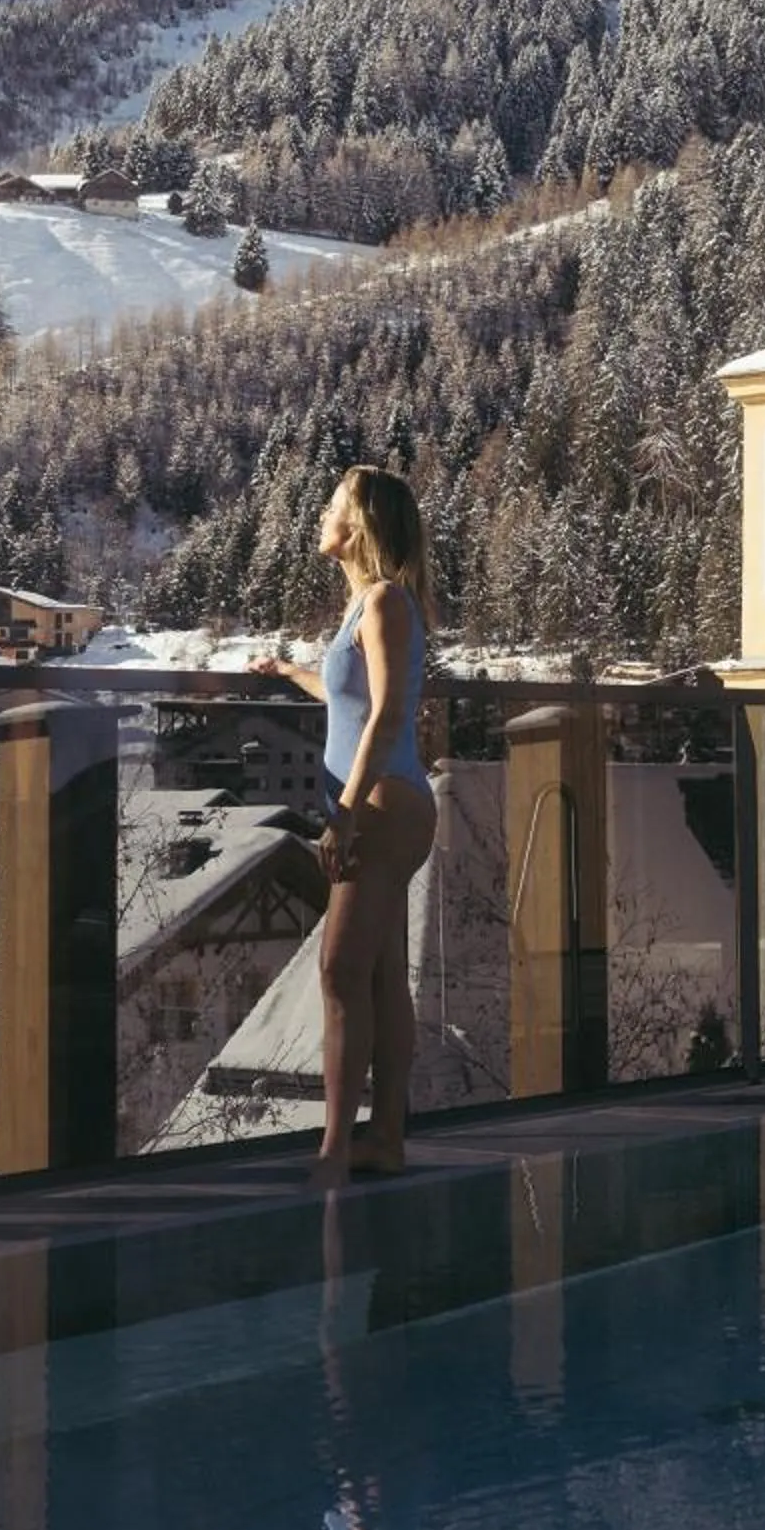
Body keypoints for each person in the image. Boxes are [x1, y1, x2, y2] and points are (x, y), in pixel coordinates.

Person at [253, 465, 437, 1181]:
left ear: (358, 524)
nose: (319, 516)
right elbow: (351, 701)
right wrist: (289, 673)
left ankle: (334, 1150)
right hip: (388, 804)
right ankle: (383, 1141)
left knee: (339, 970)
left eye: (331, 505)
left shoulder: (386, 601)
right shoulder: (367, 605)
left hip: (384, 805)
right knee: (383, 973)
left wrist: (348, 814)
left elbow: (389, 713)